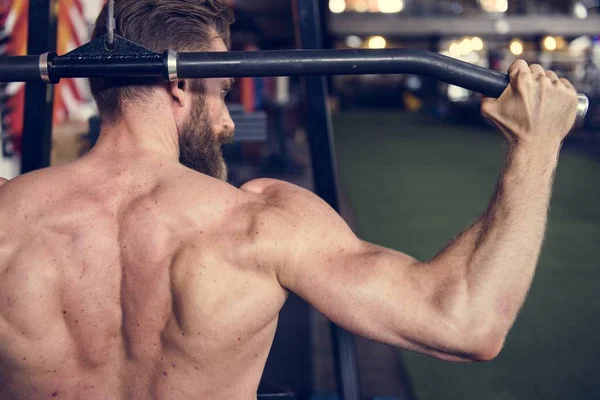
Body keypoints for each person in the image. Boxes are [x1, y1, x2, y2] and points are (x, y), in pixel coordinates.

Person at [0, 0, 579, 399]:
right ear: (178, 83)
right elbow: (467, 322)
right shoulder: (259, 223)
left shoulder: (9, 218)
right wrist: (536, 147)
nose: (226, 120)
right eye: (222, 90)